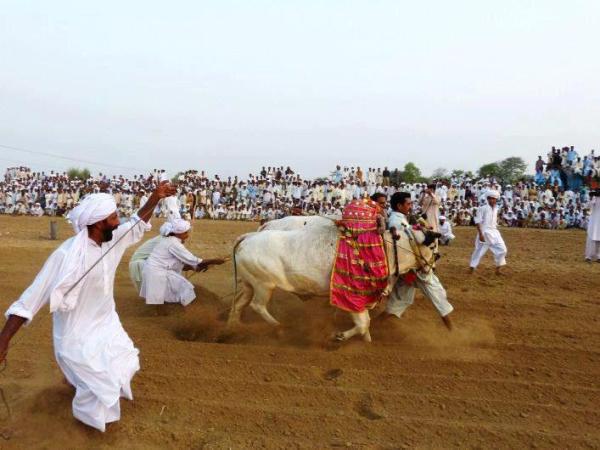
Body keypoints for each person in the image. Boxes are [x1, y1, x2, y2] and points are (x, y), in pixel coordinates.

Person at [0, 182, 176, 431]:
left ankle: (79, 394)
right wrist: (4, 340)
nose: (118, 222)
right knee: (97, 382)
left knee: (123, 362)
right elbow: (31, 298)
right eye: (113, 218)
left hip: (106, 324)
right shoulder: (66, 255)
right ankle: (85, 428)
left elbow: (137, 223)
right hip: (75, 333)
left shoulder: (112, 240)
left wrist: (155, 198)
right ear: (97, 223)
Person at [382, 192, 454, 329]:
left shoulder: (401, 218)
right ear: (399, 205)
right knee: (436, 292)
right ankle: (453, 330)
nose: (410, 206)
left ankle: (374, 326)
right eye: (408, 204)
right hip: (415, 267)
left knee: (400, 300)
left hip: (409, 267)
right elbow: (401, 244)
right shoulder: (396, 221)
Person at [139, 218, 225, 305]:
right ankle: (187, 311)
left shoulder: (168, 240)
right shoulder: (174, 244)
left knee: (160, 297)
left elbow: (179, 264)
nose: (187, 235)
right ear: (178, 234)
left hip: (153, 271)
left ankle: (164, 312)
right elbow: (195, 261)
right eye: (185, 233)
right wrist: (215, 261)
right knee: (186, 288)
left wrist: (193, 267)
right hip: (158, 273)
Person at [469, 190, 507, 275]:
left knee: (503, 250)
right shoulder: (482, 208)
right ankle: (472, 268)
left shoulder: (496, 209)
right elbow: (478, 221)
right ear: (487, 199)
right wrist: (480, 234)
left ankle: (498, 269)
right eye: (490, 199)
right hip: (485, 232)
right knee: (479, 251)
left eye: (494, 199)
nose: (492, 200)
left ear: (496, 200)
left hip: (495, 231)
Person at [585, 193, 600, 262]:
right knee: (591, 239)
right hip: (593, 222)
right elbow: (587, 207)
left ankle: (599, 256)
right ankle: (588, 256)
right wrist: (592, 198)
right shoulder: (593, 198)